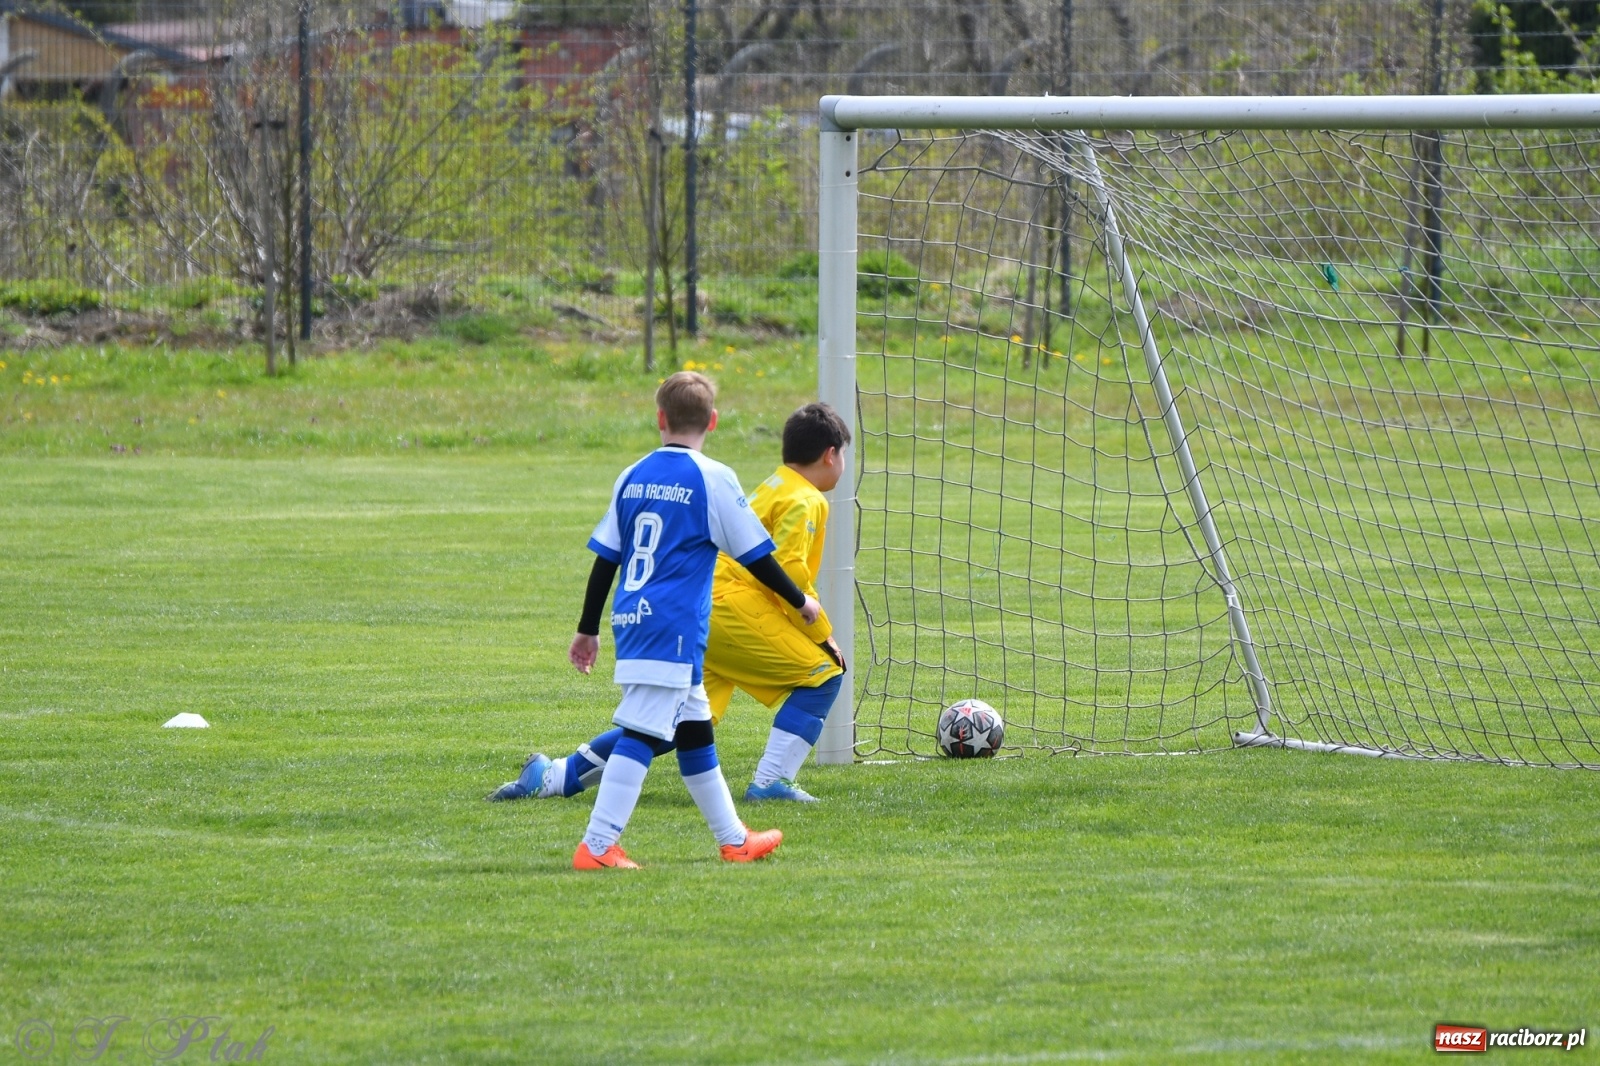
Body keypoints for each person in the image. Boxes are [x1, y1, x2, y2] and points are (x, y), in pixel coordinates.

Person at [490, 402, 850, 807]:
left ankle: (555, 774)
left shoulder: (774, 484)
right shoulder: (808, 499)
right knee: (824, 674)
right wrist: (820, 631)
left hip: (701, 611)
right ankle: (771, 782)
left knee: (675, 725)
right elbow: (787, 571)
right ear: (830, 454)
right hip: (735, 612)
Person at [556, 371, 821, 870]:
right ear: (713, 422)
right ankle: (596, 846)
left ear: (660, 419)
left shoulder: (632, 474)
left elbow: (605, 559)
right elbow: (756, 556)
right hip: (673, 626)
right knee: (640, 733)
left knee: (695, 731)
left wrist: (587, 628)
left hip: (635, 620)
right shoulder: (712, 477)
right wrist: (799, 601)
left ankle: (733, 839)